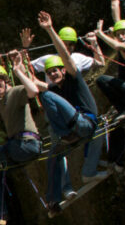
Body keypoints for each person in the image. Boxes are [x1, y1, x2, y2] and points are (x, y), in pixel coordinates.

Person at [34, 11, 109, 209]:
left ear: (64, 70)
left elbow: (66, 57)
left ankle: (65, 133)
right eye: (49, 72)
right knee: (53, 153)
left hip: (85, 122)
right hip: (80, 129)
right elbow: (34, 84)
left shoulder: (74, 79)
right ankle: (54, 197)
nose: (52, 74)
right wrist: (17, 69)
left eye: (55, 71)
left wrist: (50, 29)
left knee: (47, 96)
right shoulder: (54, 88)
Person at [0, 53, 44, 225]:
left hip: (25, 143)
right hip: (19, 147)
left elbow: (34, 91)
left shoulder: (17, 91)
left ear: (5, 79)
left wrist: (17, 71)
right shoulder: (0, 103)